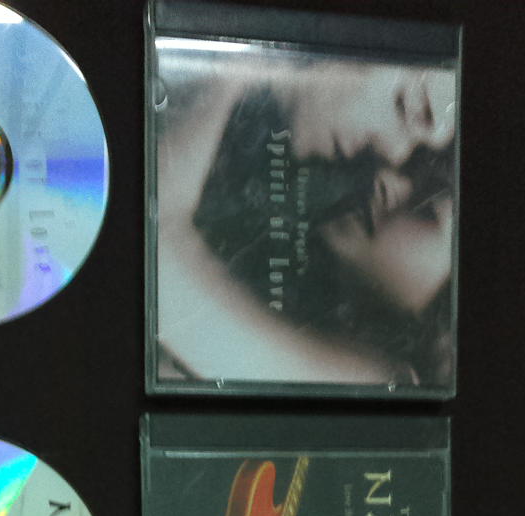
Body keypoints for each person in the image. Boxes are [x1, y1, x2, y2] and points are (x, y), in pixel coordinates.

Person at [154, 45, 457, 387]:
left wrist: (246, 60)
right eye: (424, 179)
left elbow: (156, 252)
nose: (391, 162)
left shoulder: (382, 381)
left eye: (428, 210)